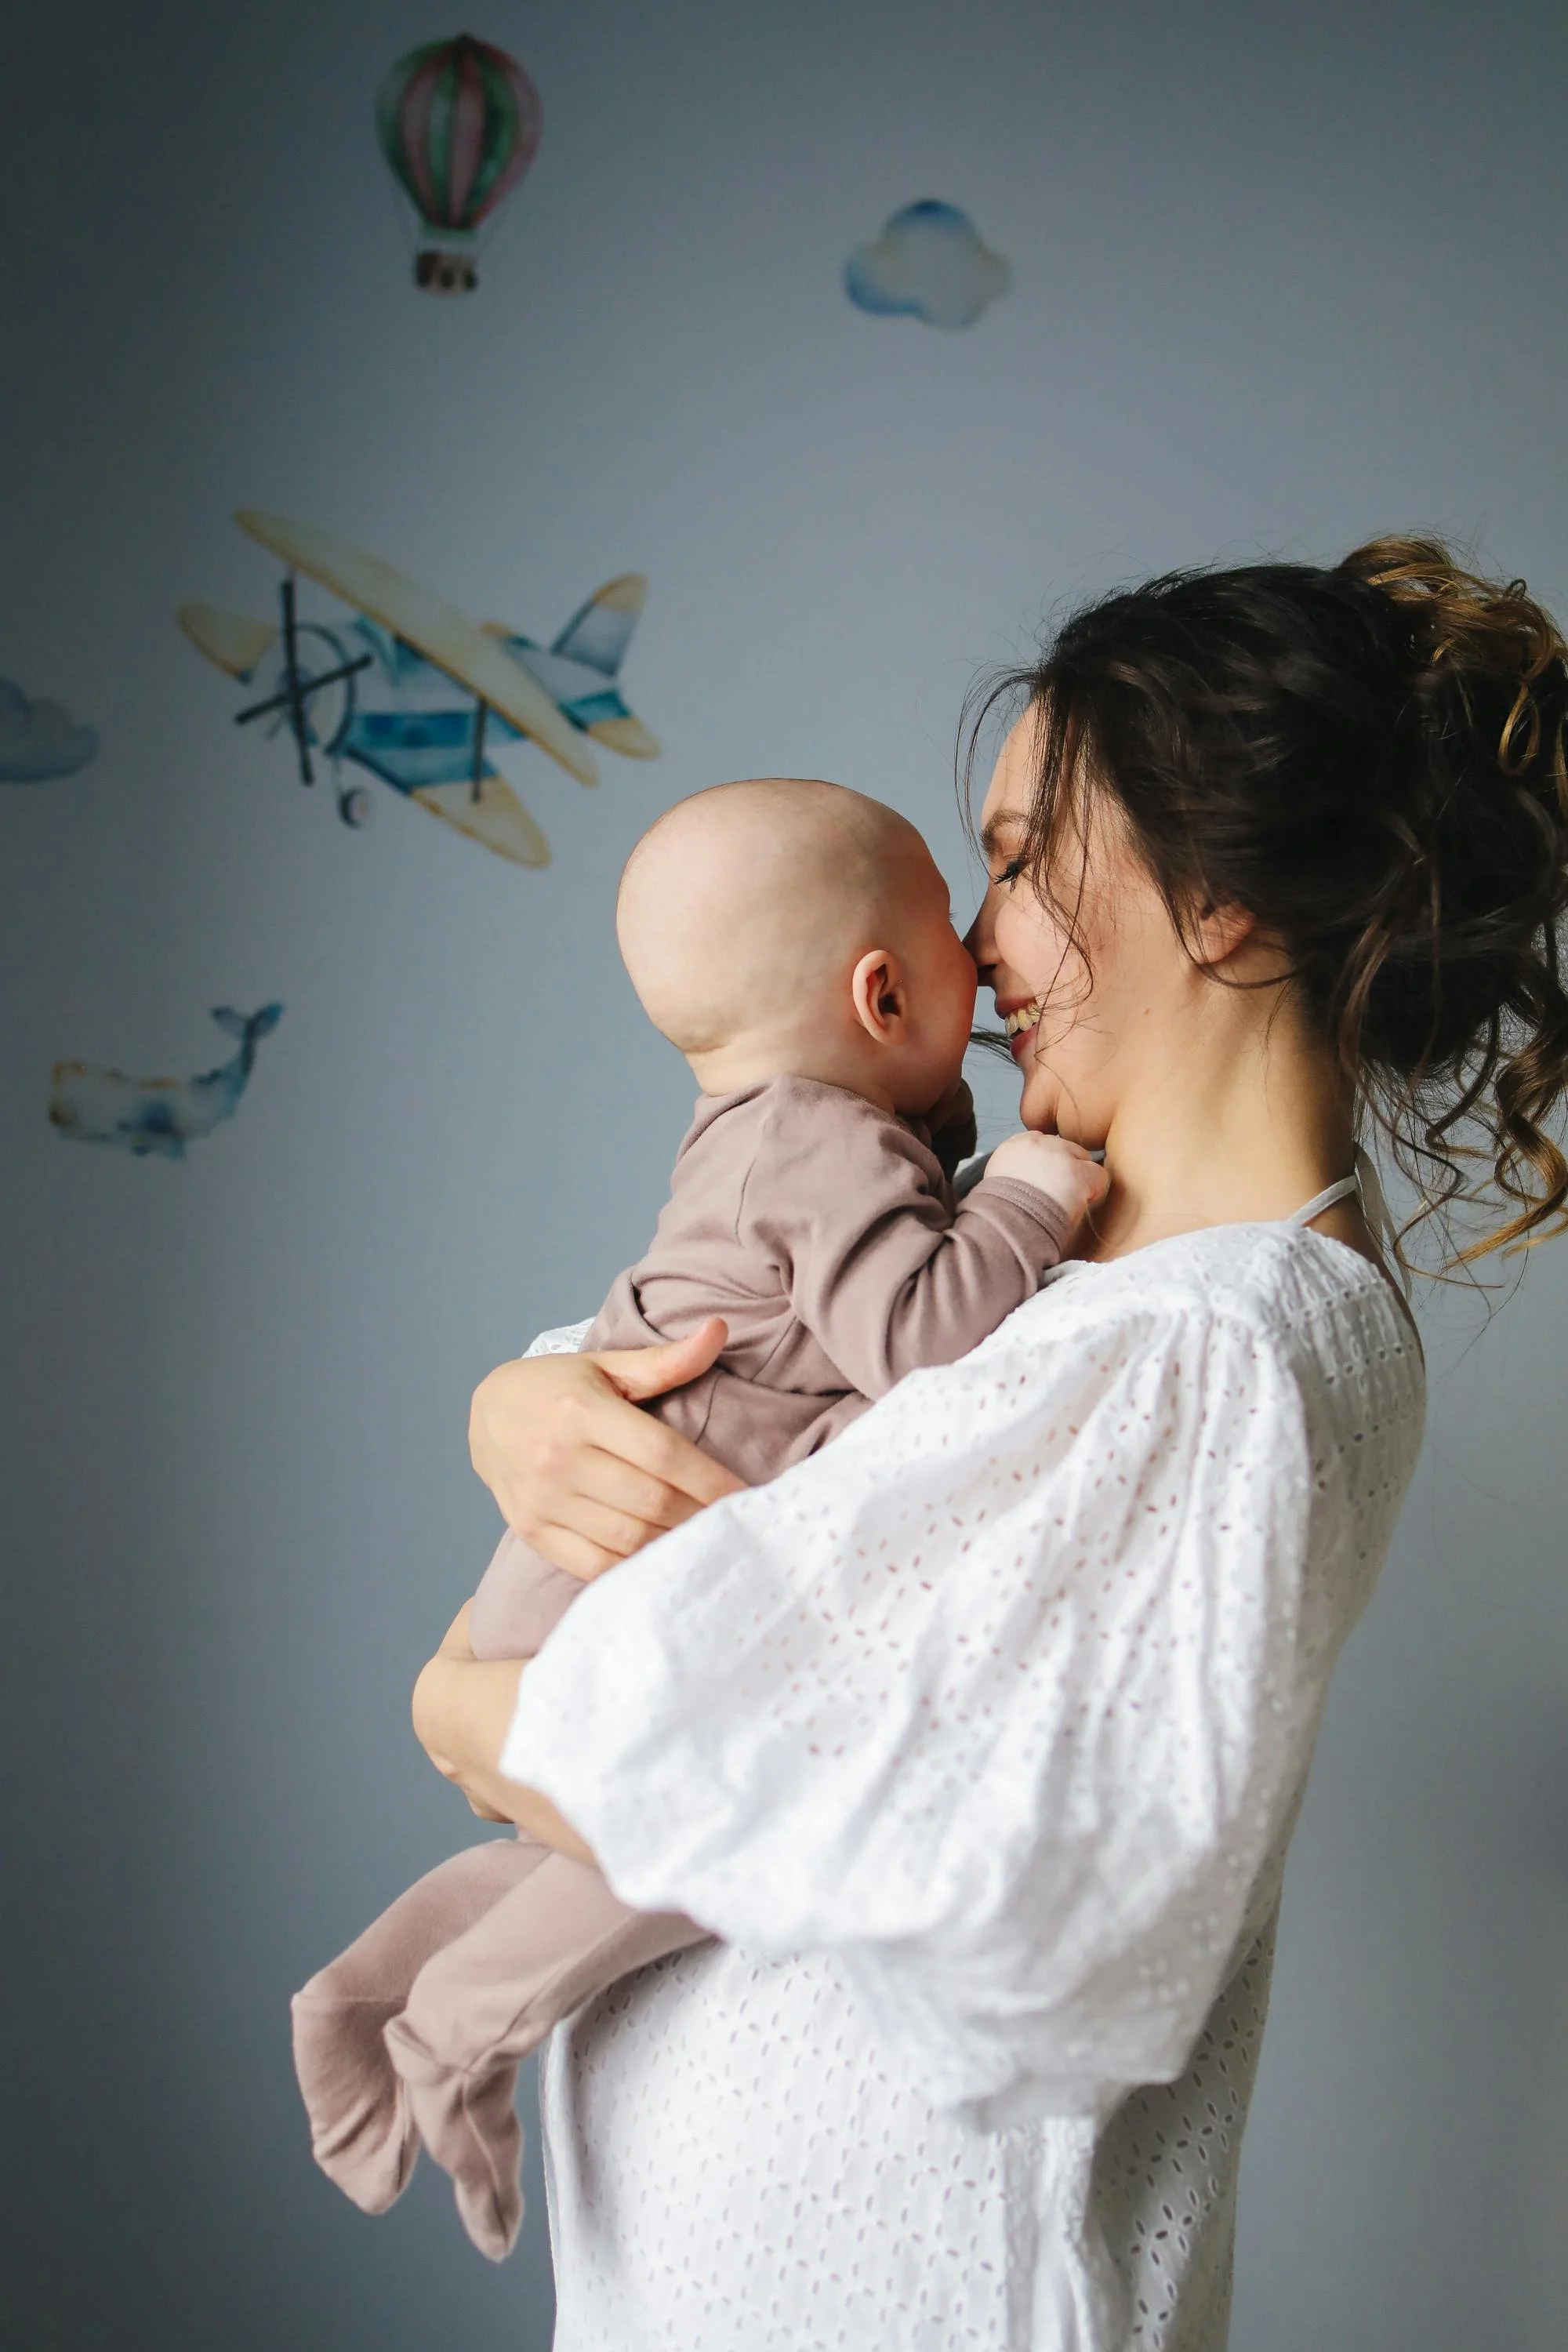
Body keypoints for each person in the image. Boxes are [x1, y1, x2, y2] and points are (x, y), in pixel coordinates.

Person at [410, 539, 1568, 2348]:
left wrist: (463, 1710)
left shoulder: (1212, 1351)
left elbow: (767, 1769)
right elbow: (750, 1382)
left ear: (1222, 905)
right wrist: (523, 1398)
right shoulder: (1058, 1284)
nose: (969, 936)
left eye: (1022, 859)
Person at [292, 779, 1104, 2260]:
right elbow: (925, 1334)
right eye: (949, 928)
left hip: (574, 1558)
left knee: (580, 1852)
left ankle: (366, 1993)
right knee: (675, 1846)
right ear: (879, 991)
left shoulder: (752, 1131)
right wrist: (1035, 1197)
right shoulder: (826, 1145)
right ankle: (454, 2039)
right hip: (625, 1564)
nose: (980, 955)